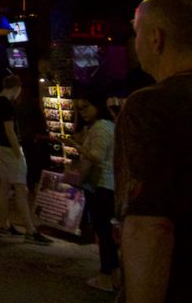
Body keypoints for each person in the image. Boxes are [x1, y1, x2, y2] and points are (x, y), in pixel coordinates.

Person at [116, 0, 192, 303]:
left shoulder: (150, 106)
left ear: (156, 39)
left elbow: (150, 227)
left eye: (136, 33)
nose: (133, 44)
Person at [66, 91, 117, 293]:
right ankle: (114, 276)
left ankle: (106, 277)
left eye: (86, 107)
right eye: (80, 109)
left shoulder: (101, 128)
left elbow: (97, 157)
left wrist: (76, 146)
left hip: (102, 185)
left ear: (97, 105)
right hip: (106, 185)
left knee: (103, 232)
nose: (83, 112)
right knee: (105, 233)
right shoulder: (105, 126)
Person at [0, 74, 52, 245]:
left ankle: (4, 225)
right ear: (17, 88)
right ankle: (30, 230)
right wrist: (18, 152)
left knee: (4, 187)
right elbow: (10, 130)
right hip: (10, 150)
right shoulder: (7, 105)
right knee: (21, 189)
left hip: (0, 147)